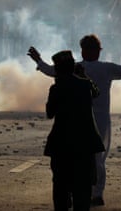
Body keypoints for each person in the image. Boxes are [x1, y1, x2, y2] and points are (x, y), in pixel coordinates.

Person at [28, 34, 121, 206]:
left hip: (75, 124)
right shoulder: (100, 70)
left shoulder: (72, 69)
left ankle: (76, 194)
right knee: (97, 158)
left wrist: (38, 61)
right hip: (97, 122)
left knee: (75, 161)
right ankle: (96, 193)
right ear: (95, 51)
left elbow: (51, 72)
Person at [44, 50, 105, 211]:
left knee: (61, 189)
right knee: (83, 192)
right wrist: (84, 76)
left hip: (62, 145)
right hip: (84, 145)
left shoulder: (56, 89)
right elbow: (96, 92)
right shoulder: (85, 85)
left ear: (58, 70)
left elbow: (50, 113)